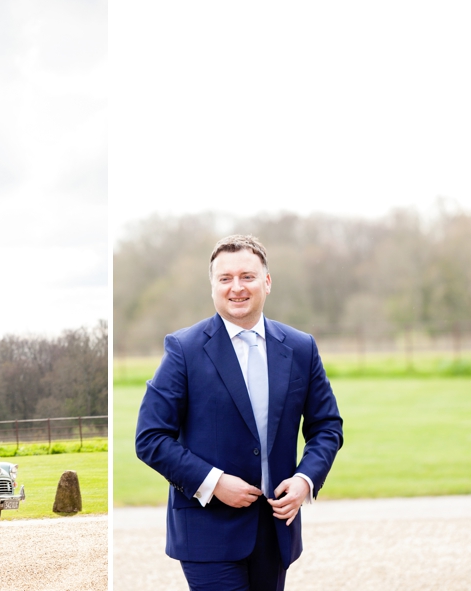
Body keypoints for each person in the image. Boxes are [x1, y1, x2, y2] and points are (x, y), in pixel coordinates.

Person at [135, 234, 343, 591]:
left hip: (276, 530)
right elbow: (150, 438)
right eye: (225, 278)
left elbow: (327, 426)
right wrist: (214, 483)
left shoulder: (300, 347)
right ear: (212, 286)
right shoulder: (183, 350)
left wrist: (305, 480)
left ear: (267, 281)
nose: (237, 288)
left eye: (247, 276)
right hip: (207, 531)